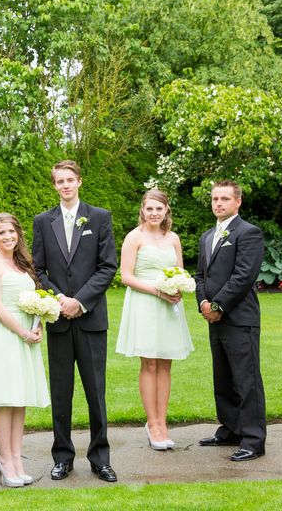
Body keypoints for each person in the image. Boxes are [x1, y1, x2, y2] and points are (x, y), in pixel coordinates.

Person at [31, 159, 118, 483]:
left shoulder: (99, 217)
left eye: (70, 180)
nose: (65, 185)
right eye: (59, 181)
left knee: (96, 393)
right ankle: (62, 457)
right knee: (61, 392)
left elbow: (108, 266)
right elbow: (38, 270)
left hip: (91, 319)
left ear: (79, 181)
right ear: (54, 185)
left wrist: (79, 301)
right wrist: (59, 301)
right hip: (59, 320)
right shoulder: (43, 221)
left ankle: (100, 458)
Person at [115, 189, 194, 450]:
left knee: (165, 364)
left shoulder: (173, 238)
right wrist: (158, 291)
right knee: (149, 363)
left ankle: (163, 422)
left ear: (166, 210)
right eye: (149, 208)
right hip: (145, 303)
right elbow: (126, 276)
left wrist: (178, 287)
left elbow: (179, 271)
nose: (154, 213)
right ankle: (152, 424)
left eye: (159, 209)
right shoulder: (134, 237)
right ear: (143, 210)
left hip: (169, 306)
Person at [194, 180, 266, 462]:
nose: (218, 203)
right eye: (215, 199)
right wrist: (203, 304)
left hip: (239, 318)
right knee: (222, 377)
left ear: (238, 202)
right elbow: (200, 275)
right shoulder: (207, 235)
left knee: (246, 380)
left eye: (224, 198)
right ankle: (231, 429)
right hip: (214, 318)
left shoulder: (249, 233)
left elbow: (244, 275)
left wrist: (219, 305)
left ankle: (253, 439)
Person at [0, 213, 49, 488]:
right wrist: (21, 332)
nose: (8, 237)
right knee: (5, 398)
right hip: (7, 336)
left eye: (11, 232)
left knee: (20, 399)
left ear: (18, 233)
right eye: (1, 233)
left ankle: (18, 458)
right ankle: (5, 459)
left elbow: (35, 298)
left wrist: (39, 323)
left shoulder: (24, 263)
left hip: (28, 334)